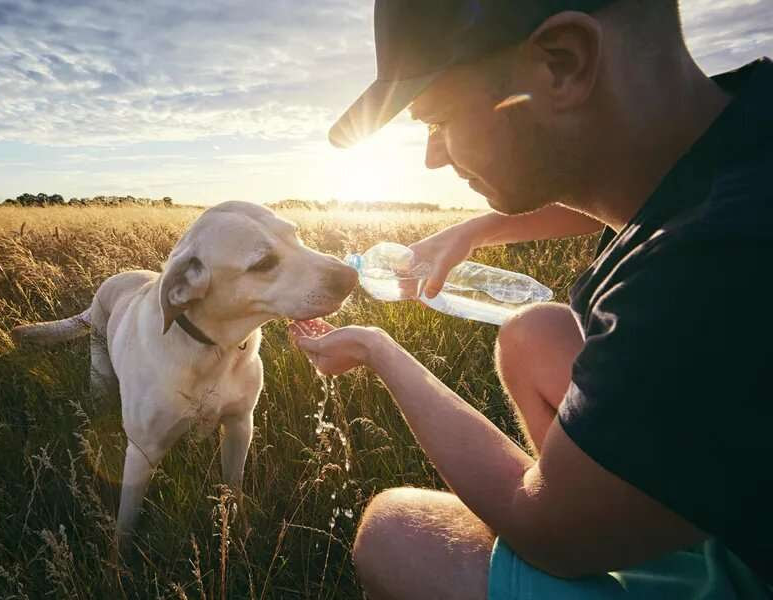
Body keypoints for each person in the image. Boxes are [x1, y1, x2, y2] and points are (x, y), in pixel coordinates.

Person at [291, 1, 773, 598]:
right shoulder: (738, 132)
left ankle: (606, 517)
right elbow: (639, 182)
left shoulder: (709, 264)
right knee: (533, 332)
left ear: (562, 63)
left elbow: (547, 533)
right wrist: (476, 229)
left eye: (436, 120)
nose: (432, 156)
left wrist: (378, 350)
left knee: (395, 532)